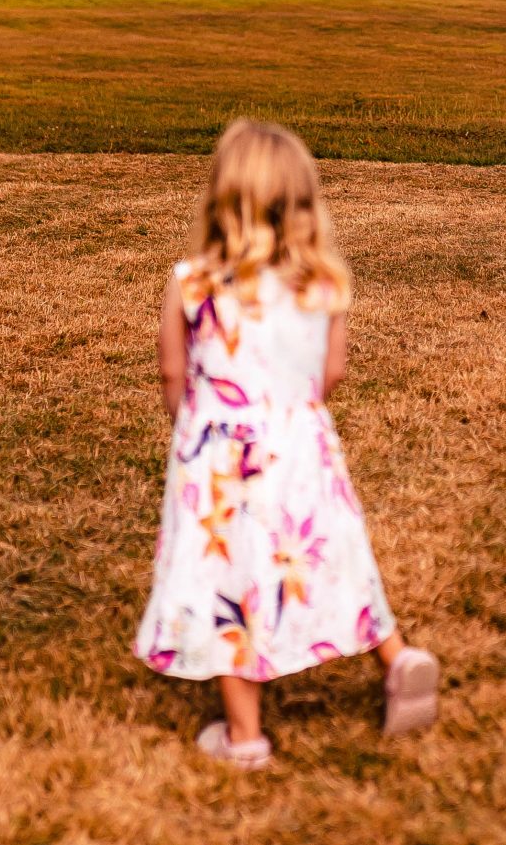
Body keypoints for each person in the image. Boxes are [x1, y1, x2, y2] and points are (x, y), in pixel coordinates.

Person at [134, 119, 440, 766]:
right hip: (302, 447)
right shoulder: (322, 285)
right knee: (332, 550)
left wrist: (189, 424)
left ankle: (245, 736)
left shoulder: (191, 281)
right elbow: (330, 374)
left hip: (221, 455)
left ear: (221, 199)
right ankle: (397, 653)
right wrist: (294, 419)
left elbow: (172, 370)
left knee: (230, 575)